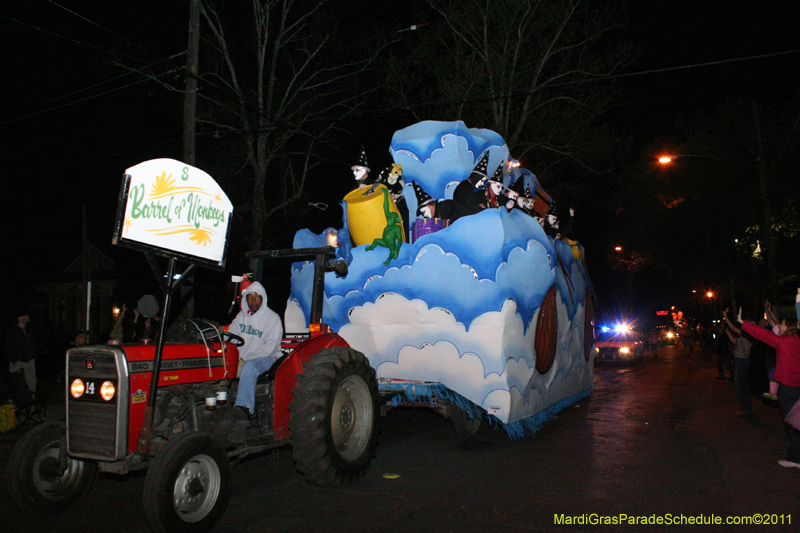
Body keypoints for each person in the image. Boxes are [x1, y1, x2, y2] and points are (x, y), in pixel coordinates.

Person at [739, 305, 800, 468]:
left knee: (791, 423)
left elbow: (763, 334)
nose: (779, 326)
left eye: (783, 324)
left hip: (788, 387)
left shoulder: (784, 342)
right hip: (797, 385)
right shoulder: (796, 341)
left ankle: (795, 458)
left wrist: (743, 323)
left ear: (789, 328)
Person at [230, 281, 283, 419]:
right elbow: (231, 336)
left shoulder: (272, 318)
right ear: (245, 299)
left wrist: (245, 359)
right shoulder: (240, 318)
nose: (253, 300)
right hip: (243, 358)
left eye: (256, 297)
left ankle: (244, 408)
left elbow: (269, 348)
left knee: (249, 367)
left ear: (262, 298)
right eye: (250, 296)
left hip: (269, 358)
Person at [723, 308, 753, 415]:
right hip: (739, 360)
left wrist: (726, 316)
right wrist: (727, 333)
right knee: (740, 385)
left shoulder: (749, 335)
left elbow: (733, 328)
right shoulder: (743, 335)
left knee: (741, 386)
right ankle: (745, 407)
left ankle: (745, 408)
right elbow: (734, 341)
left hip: (742, 361)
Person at [4, 306, 37, 397]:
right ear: (20, 317)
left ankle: (31, 406)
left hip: (29, 360)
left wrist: (33, 355)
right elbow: (8, 346)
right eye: (25, 315)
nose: (28, 316)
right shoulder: (13, 331)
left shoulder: (29, 330)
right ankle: (16, 406)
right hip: (19, 361)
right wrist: (14, 360)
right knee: (17, 385)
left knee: (31, 384)